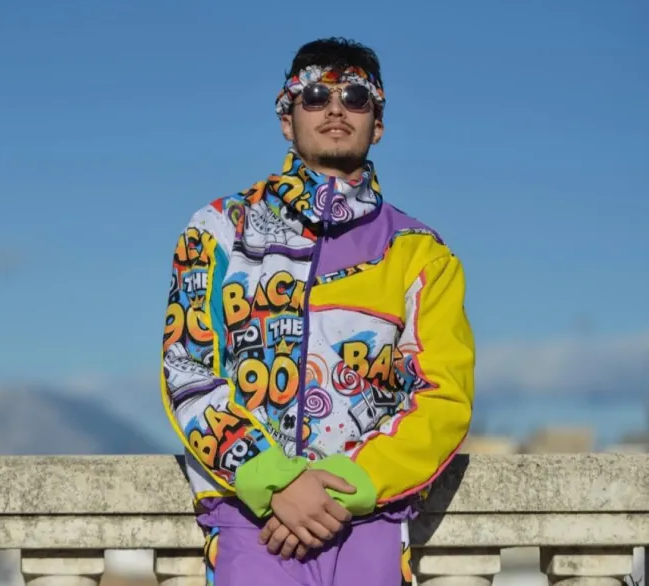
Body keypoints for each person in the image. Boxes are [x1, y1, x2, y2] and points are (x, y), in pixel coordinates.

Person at [160, 37, 475, 586]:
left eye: (355, 97)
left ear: (378, 123)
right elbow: (186, 367)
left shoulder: (421, 253)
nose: (335, 108)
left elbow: (443, 396)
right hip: (251, 519)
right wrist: (273, 479)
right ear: (287, 119)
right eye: (314, 96)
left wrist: (343, 486)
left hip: (370, 519)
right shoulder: (218, 228)